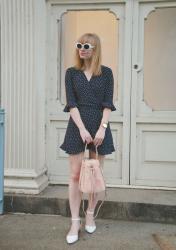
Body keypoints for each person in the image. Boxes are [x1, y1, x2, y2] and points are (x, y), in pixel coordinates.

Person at [59, 33, 116, 244]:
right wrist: (82, 128)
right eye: (79, 45)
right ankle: (75, 221)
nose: (82, 49)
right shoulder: (71, 73)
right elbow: (71, 103)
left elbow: (108, 104)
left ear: (95, 49)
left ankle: (90, 213)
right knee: (75, 175)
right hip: (77, 126)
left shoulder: (107, 73)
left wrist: (102, 128)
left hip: (100, 125)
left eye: (87, 46)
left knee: (94, 175)